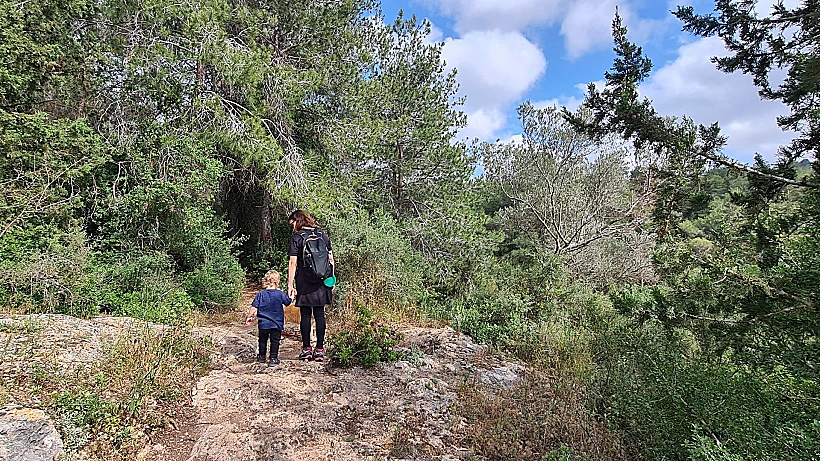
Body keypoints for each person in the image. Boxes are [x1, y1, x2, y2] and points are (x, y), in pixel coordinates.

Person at [287, 209, 334, 362]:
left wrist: (290, 285)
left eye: (293, 223)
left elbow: (293, 263)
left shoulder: (297, 238)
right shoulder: (322, 235)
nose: (292, 227)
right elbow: (331, 260)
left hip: (304, 280)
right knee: (320, 314)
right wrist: (331, 279)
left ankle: (307, 349)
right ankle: (319, 350)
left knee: (306, 315)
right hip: (322, 280)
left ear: (298, 221)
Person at [246, 270, 292, 367]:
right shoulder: (280, 294)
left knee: (262, 340)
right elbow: (287, 302)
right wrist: (291, 297)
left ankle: (262, 356)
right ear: (277, 282)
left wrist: (249, 317)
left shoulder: (261, 294)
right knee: (275, 341)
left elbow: (254, 307)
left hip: (263, 324)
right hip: (276, 324)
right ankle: (273, 358)